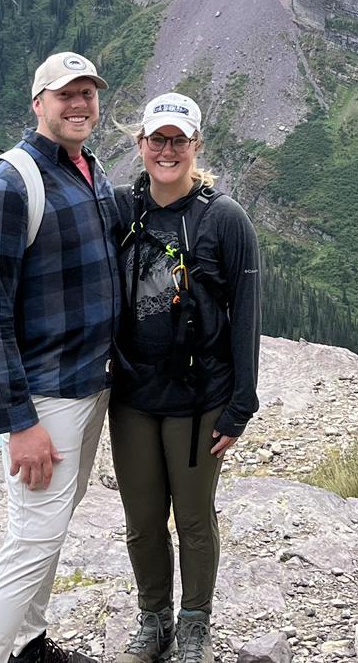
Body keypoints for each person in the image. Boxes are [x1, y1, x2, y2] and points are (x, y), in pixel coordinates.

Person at [0, 52, 120, 663]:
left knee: (51, 528)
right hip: (47, 397)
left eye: (88, 94)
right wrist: (19, 422)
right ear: (38, 104)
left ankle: (28, 644)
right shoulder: (7, 184)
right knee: (32, 541)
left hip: (91, 384)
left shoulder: (88, 170)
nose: (78, 104)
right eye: (64, 95)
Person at [111, 92, 261, 663]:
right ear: (141, 145)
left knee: (194, 518)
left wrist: (240, 405)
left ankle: (194, 624)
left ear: (196, 147)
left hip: (201, 397)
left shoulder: (223, 219)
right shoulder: (123, 209)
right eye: (157, 140)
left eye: (178, 140)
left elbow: (246, 312)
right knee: (142, 521)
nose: (166, 150)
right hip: (133, 396)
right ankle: (154, 620)